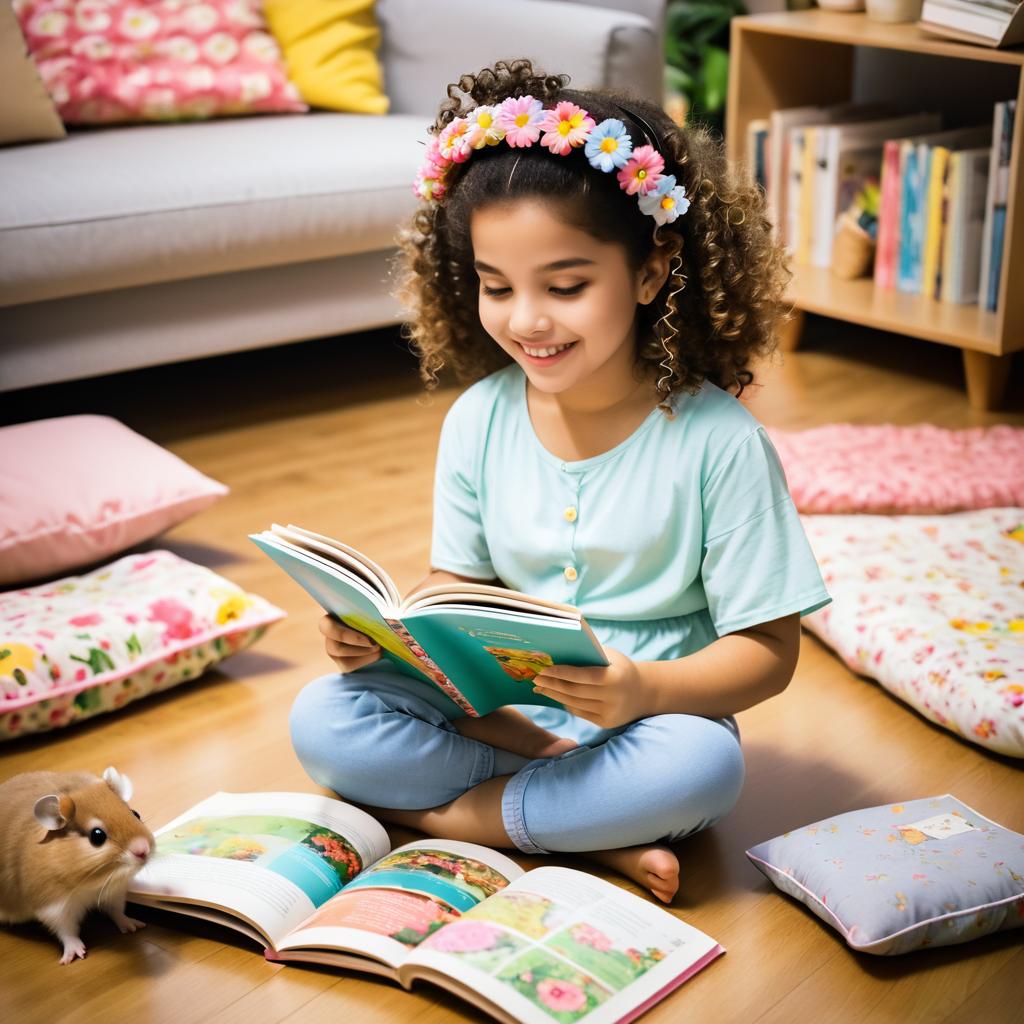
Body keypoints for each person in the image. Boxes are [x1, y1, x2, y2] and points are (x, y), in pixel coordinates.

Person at [290, 59, 831, 904]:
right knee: (323, 717)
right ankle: (571, 829)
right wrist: (388, 640)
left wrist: (645, 687)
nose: (526, 319)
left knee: (703, 773)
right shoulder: (478, 418)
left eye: (567, 286)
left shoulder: (719, 442)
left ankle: (458, 823)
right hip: (500, 715)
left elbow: (768, 653)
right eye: (496, 286)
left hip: (654, 720)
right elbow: (458, 588)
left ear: (651, 273)